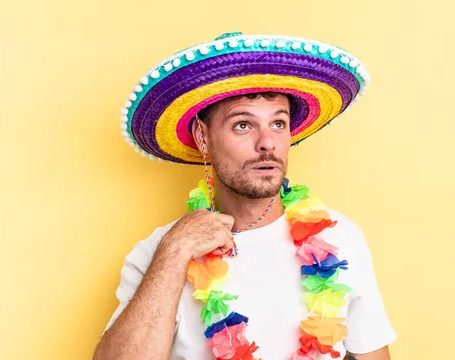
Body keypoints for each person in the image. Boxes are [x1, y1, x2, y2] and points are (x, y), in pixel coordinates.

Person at [94, 32, 397, 360]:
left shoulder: (340, 239)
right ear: (202, 137)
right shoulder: (158, 253)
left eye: (278, 123)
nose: (267, 142)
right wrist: (175, 251)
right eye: (243, 125)